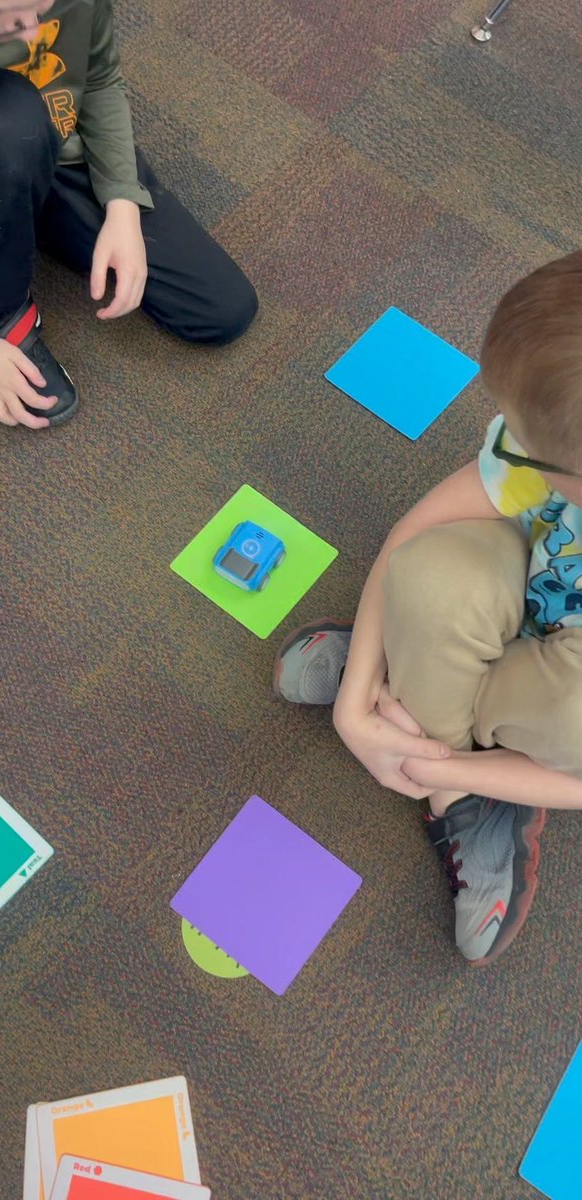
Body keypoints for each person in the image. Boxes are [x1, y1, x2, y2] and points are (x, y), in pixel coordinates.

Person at [274, 250, 582, 967]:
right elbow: (410, 535)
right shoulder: (536, 453)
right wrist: (356, 709)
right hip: (512, 591)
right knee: (432, 571)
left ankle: (470, 787)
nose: (507, 440)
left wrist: (449, 776)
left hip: (559, 693)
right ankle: (401, 681)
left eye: (528, 448)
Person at [0, 0, 258, 429]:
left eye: (42, 7)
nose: (32, 32)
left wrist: (122, 205)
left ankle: (20, 215)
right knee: (1, 117)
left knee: (221, 309)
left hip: (57, 151)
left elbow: (100, 75)